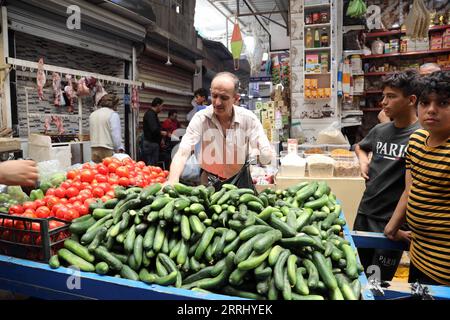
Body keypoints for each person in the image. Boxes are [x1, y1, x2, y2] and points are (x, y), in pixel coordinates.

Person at [353, 70, 421, 281]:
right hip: (365, 213)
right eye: (383, 96)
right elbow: (360, 146)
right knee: (356, 273)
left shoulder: (420, 136)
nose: (384, 102)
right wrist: (364, 161)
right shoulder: (381, 130)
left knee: (378, 281)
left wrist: (396, 225)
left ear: (411, 100)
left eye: (391, 96)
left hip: (392, 222)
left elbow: (413, 189)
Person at [385, 71, 450, 285]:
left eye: (443, 103)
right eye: (425, 102)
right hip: (419, 256)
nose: (431, 110)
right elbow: (410, 189)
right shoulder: (416, 140)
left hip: (444, 268)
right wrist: (392, 227)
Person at [166, 72, 275, 186]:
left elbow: (265, 153)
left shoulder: (248, 119)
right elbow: (183, 152)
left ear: (235, 98)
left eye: (224, 97)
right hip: (208, 180)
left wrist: (254, 160)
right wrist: (172, 180)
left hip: (239, 180)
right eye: (214, 96)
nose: (217, 102)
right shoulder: (201, 119)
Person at [377, 63, 442, 123]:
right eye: (422, 76)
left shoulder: (444, 98)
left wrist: (386, 124)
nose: (425, 80)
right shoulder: (413, 94)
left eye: (430, 75)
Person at [89, 94, 124, 163]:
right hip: (108, 149)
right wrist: (119, 149)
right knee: (110, 172)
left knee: (97, 171)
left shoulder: (92, 114)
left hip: (94, 148)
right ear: (114, 104)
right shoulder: (113, 114)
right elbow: (116, 135)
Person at [142, 97, 166, 166]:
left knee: (153, 164)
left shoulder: (153, 114)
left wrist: (160, 139)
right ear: (158, 105)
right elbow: (154, 129)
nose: (162, 108)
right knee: (151, 165)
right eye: (162, 106)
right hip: (150, 144)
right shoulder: (150, 114)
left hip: (153, 143)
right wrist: (162, 133)